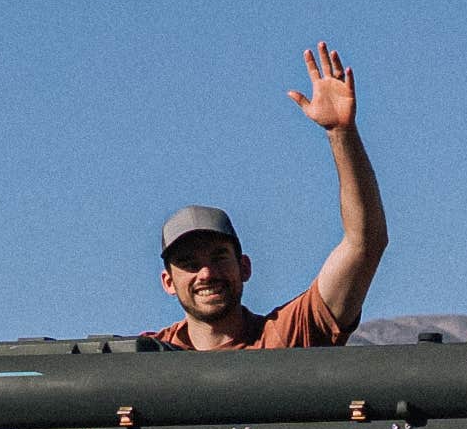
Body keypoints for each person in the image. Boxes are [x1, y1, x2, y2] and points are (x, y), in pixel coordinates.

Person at [147, 45, 389, 352]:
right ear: (168, 282)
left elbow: (364, 243)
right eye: (189, 264)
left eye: (219, 257)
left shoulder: (286, 337)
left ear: (245, 267)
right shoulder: (146, 356)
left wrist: (341, 133)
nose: (206, 273)